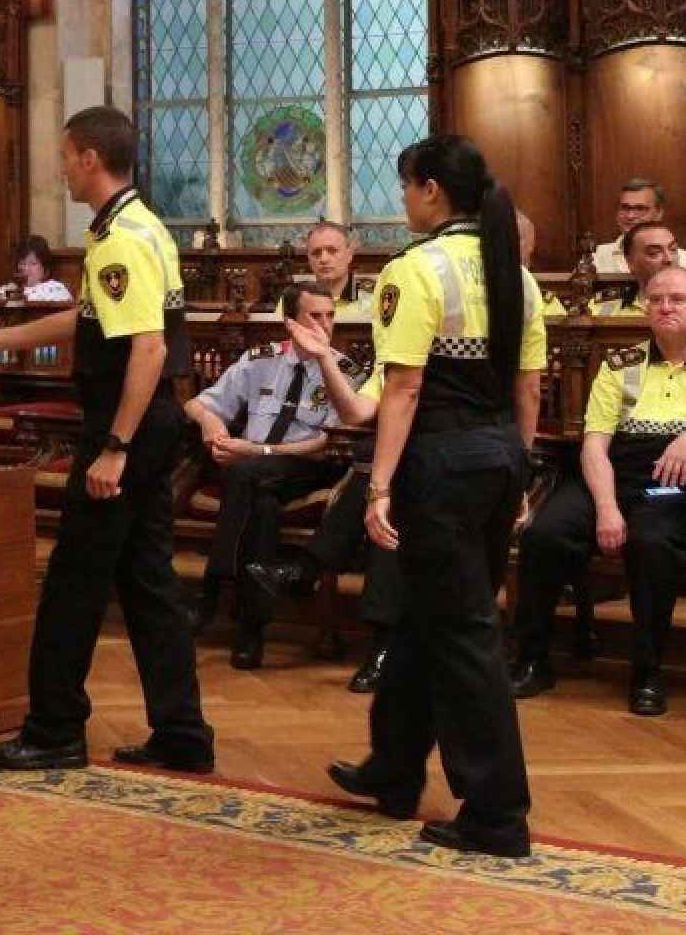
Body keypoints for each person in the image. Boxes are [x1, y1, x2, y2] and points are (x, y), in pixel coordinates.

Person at [0, 106, 215, 775]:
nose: (60, 168)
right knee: (147, 583)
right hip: (146, 425)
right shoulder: (141, 226)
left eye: (64, 155)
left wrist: (114, 447)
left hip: (125, 428)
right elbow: (88, 319)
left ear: (89, 158)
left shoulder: (121, 240)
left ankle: (54, 728)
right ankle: (182, 731)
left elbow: (146, 347)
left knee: (71, 583)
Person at [328, 135, 546, 859]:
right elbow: (527, 386)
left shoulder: (414, 269)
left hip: (442, 465)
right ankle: (394, 768)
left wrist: (379, 485)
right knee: (431, 617)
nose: (402, 200)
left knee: (464, 634)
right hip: (497, 459)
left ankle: (496, 813)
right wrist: (519, 470)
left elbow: (404, 385)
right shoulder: (516, 275)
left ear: (427, 188)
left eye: (404, 186)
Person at [509, 267, 686, 716]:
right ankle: (532, 659)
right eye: (658, 299)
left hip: (670, 486)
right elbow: (594, 444)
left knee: (651, 544)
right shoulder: (619, 364)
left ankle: (646, 673)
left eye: (678, 299)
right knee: (544, 533)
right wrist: (606, 508)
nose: (666, 307)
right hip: (612, 471)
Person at [183, 284, 353, 668]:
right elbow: (197, 403)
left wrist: (255, 451)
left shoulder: (342, 370)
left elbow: (326, 445)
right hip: (255, 473)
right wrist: (212, 420)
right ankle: (250, 628)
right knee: (262, 504)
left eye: (330, 316)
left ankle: (213, 591)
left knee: (248, 474)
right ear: (290, 322)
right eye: (315, 316)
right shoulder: (260, 359)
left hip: (304, 465)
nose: (325, 325)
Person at [246, 320, 401, 693]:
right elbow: (354, 413)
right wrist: (324, 360)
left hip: (438, 470)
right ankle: (379, 644)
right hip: (387, 469)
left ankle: (306, 571)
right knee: (376, 491)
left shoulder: (453, 362)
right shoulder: (393, 363)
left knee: (388, 499)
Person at [592, 178, 685, 274]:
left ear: (658, 213)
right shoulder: (596, 258)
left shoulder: (683, 261)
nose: (630, 216)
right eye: (624, 208)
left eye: (640, 208)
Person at [588, 222, 681, 317]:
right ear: (629, 261)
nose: (669, 259)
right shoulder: (604, 306)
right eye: (654, 252)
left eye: (673, 249)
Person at [304, 222, 368, 321]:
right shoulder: (294, 300)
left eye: (332, 251)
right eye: (316, 253)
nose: (323, 259)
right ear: (308, 258)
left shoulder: (372, 301)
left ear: (349, 254)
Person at [0, 235, 73, 304]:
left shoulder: (54, 288)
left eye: (33, 263)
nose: (26, 268)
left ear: (44, 266)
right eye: (22, 263)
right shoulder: (8, 289)